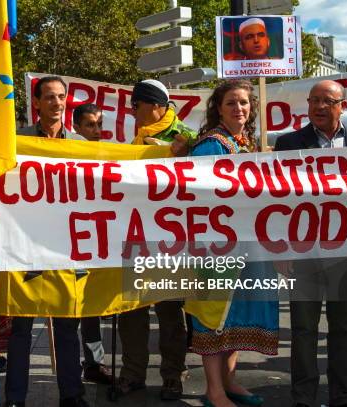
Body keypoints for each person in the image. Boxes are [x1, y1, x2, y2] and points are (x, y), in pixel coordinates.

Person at [275, 79, 347, 407]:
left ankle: (342, 397)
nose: (318, 107)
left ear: (342, 106)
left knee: (343, 331)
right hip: (303, 254)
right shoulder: (288, 144)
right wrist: (281, 248)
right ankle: (302, 397)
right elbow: (276, 201)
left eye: (326, 101)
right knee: (303, 330)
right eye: (313, 100)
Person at [185, 79, 279, 407]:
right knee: (213, 318)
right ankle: (214, 391)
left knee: (233, 318)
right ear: (218, 109)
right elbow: (198, 195)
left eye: (243, 103)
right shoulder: (212, 145)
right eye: (231, 103)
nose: (239, 108)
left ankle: (229, 382)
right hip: (216, 247)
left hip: (245, 244)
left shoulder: (246, 143)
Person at [6, 76, 88, 407]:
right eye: (50, 97)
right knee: (21, 330)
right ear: (36, 103)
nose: (57, 102)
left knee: (69, 327)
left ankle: (72, 394)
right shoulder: (16, 142)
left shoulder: (81, 144)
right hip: (25, 246)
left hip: (65, 247)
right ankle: (14, 398)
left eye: (61, 97)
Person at [116, 79, 194, 401]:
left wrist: (184, 149)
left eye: (137, 105)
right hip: (136, 239)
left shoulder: (184, 135)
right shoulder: (135, 140)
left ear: (157, 106)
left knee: (169, 313)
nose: (133, 112)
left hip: (169, 241)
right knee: (131, 311)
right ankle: (132, 373)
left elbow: (198, 151)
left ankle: (172, 375)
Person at [68, 103, 112, 385]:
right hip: (71, 243)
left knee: (92, 310)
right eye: (89, 125)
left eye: (98, 125)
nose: (96, 131)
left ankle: (95, 363)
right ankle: (72, 367)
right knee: (69, 311)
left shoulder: (108, 155)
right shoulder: (67, 154)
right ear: (77, 128)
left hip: (96, 242)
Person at [130, 79, 196, 156]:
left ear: (155, 106)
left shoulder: (189, 137)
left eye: (135, 106)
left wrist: (187, 155)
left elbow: (208, 164)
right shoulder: (137, 140)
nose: (132, 113)